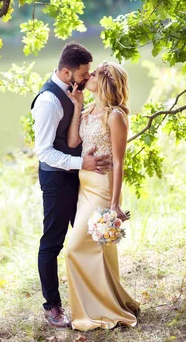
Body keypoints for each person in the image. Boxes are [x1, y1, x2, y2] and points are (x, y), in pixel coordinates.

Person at [31, 42, 111, 328]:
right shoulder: (48, 102)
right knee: (52, 242)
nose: (88, 78)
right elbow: (44, 151)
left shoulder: (74, 94)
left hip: (79, 177)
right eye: (84, 74)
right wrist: (82, 164)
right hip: (56, 179)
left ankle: (96, 299)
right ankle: (52, 306)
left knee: (84, 238)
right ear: (66, 72)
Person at [65, 60, 140, 331]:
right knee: (99, 250)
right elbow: (74, 142)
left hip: (102, 189)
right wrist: (76, 106)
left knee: (74, 248)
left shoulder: (116, 115)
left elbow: (119, 162)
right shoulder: (88, 110)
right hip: (85, 188)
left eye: (93, 73)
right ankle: (107, 305)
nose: (88, 76)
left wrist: (114, 203)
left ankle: (101, 309)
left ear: (105, 80)